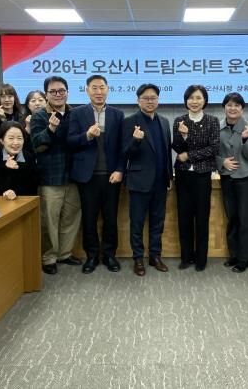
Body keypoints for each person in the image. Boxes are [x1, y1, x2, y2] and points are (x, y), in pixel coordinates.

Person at [68, 75, 125, 274]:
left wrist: (120, 169)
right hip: (87, 176)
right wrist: (87, 136)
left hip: (111, 176)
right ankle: (91, 256)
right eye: (94, 88)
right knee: (89, 218)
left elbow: (122, 146)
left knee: (110, 218)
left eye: (102, 87)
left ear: (108, 89)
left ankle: (109, 255)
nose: (98, 92)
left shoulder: (117, 114)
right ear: (87, 90)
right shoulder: (77, 113)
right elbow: (70, 141)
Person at [30, 76, 82, 275]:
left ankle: (65, 254)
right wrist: (50, 129)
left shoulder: (75, 113)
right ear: (46, 95)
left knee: (71, 217)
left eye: (61, 91)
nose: (58, 94)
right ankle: (49, 257)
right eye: (53, 92)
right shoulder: (39, 116)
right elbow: (36, 144)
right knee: (49, 220)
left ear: (67, 92)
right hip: (50, 177)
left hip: (74, 176)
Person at [122, 84, 173, 276]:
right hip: (139, 181)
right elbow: (124, 153)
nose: (150, 101)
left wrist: (169, 176)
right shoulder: (130, 121)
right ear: (138, 101)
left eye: (153, 98)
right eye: (146, 98)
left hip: (160, 181)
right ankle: (138, 258)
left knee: (157, 221)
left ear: (158, 100)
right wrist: (135, 140)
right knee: (137, 222)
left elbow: (167, 152)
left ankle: (155, 256)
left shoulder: (164, 122)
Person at [172, 85, 220, 271]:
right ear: (186, 100)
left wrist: (189, 155)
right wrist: (183, 136)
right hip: (183, 175)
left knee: (201, 218)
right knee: (184, 217)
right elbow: (176, 148)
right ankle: (186, 257)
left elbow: (213, 148)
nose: (194, 101)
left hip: (202, 175)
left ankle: (201, 259)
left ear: (204, 100)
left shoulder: (212, 121)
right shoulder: (179, 120)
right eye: (191, 98)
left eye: (198, 98)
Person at [216, 92, 248, 273]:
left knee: (245, 218)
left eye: (237, 105)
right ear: (224, 107)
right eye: (229, 105)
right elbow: (212, 152)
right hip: (227, 178)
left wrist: (246, 139)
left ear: (242, 108)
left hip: (245, 178)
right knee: (232, 217)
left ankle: (244, 258)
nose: (232, 108)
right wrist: (221, 162)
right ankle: (234, 254)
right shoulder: (217, 127)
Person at [0, 121, 37, 199]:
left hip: (22, 200)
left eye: (19, 138)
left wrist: (15, 192)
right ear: (2, 140)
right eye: (11, 138)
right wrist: (6, 169)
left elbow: (32, 186)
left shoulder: (28, 157)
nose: (16, 143)